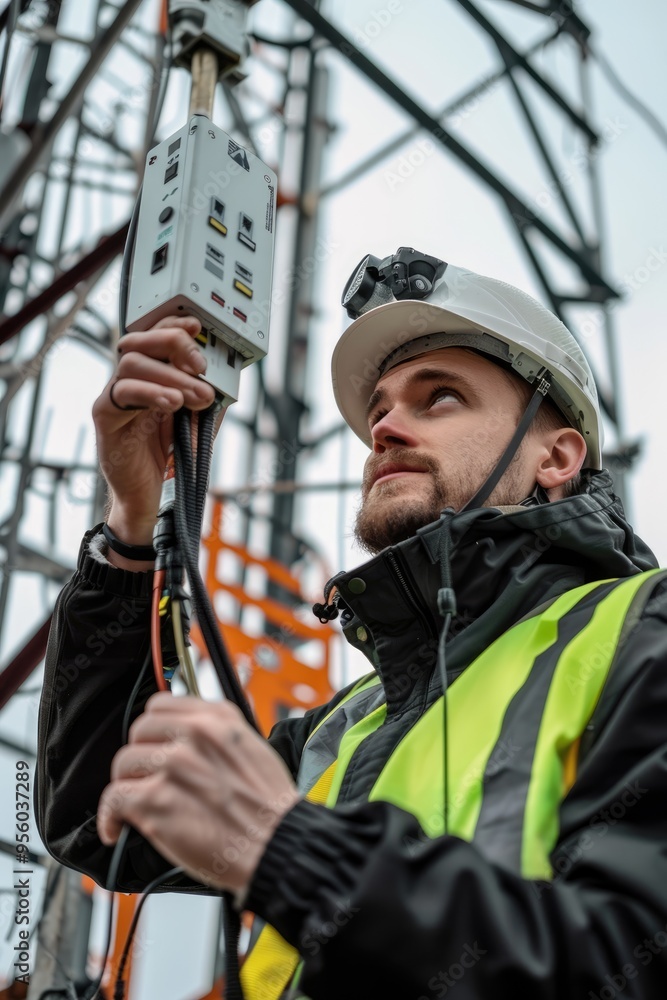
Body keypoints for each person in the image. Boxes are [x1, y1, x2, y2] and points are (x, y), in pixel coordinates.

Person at [36, 249, 667, 1000]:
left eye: (439, 398)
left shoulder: (640, 632)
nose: (387, 429)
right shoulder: (348, 727)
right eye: (379, 411)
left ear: (555, 456)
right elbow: (95, 810)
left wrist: (293, 853)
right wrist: (134, 526)